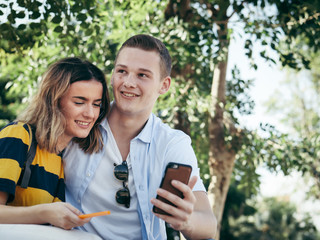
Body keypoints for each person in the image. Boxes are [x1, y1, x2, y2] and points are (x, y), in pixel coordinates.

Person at [63, 34, 217, 239]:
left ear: (164, 85)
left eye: (142, 75)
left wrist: (186, 222)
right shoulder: (81, 123)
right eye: (122, 71)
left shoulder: (172, 143)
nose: (128, 82)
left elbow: (208, 223)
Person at [0, 57, 110, 230]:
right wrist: (45, 213)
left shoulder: (59, 159)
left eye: (96, 104)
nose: (90, 114)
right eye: (79, 102)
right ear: (54, 101)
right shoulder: (19, 135)